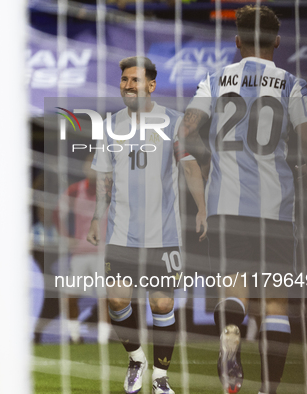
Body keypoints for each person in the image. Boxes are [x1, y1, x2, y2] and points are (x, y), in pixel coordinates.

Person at [178, 6, 307, 394]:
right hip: (276, 209)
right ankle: (269, 389)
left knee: (233, 290)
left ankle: (229, 337)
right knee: (275, 303)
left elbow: (186, 129)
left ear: (237, 41)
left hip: (226, 207)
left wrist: (203, 159)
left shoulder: (215, 79)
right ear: (277, 41)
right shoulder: (290, 82)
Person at [87, 56, 207, 394]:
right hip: (121, 232)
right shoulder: (110, 125)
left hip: (163, 234)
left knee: (162, 304)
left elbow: (189, 166)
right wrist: (98, 215)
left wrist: (202, 208)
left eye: (135, 80)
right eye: (124, 80)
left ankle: (160, 377)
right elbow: (104, 177)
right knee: (116, 300)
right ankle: (136, 358)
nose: (128, 85)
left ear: (151, 85)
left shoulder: (173, 121)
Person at [55, 153, 109, 344]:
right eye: (90, 164)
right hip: (80, 254)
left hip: (104, 253)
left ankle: (104, 339)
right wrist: (66, 237)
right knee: (69, 296)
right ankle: (75, 336)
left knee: (105, 298)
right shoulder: (74, 190)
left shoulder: (112, 190)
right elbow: (57, 213)